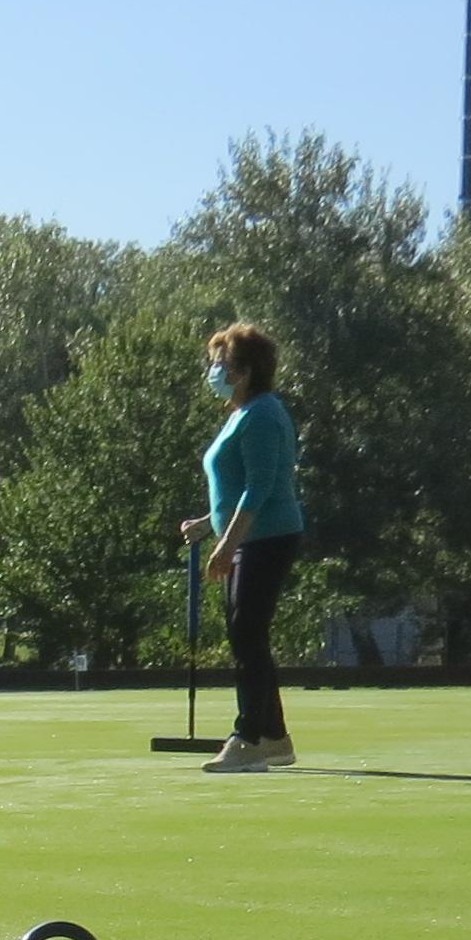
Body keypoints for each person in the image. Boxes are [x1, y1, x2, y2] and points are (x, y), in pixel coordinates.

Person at [175, 321, 303, 771]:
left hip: (265, 538)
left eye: (221, 364)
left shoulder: (264, 414)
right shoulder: (244, 413)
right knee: (248, 635)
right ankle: (274, 738)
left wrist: (227, 543)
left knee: (247, 635)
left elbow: (260, 489)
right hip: (250, 536)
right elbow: (232, 488)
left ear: (245, 371)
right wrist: (210, 524)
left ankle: (247, 737)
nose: (214, 372)